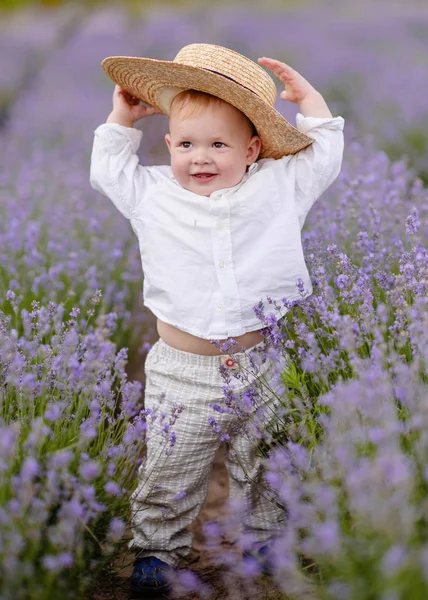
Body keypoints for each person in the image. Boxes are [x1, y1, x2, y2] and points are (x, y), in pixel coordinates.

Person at [90, 43, 344, 596]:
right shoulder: (153, 194)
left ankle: (264, 543)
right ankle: (156, 551)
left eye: (218, 145)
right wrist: (119, 120)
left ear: (253, 149)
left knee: (265, 462)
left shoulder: (279, 188)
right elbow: (108, 171)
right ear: (168, 145)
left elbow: (322, 159)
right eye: (186, 144)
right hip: (181, 366)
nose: (199, 157)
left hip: (260, 359)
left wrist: (314, 104)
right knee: (170, 466)